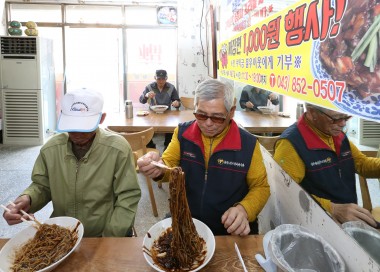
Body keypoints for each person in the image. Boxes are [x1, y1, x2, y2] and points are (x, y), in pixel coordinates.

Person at [137, 79, 270, 236]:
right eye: (201, 115)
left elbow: (261, 187)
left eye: (217, 117)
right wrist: (157, 167)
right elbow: (168, 165)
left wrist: (245, 209)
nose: (208, 123)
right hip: (186, 219)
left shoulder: (247, 144)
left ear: (231, 112)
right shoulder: (182, 133)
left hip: (227, 228)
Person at [2, 89, 141, 237]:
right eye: (71, 125)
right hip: (63, 234)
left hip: (102, 234)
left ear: (101, 118)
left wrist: (111, 237)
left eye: (84, 127)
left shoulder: (117, 149)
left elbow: (128, 196)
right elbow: (42, 185)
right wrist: (28, 198)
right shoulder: (51, 149)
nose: (76, 133)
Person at [273, 103, 380, 228]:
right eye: (336, 118)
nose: (343, 124)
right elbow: (284, 194)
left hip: (348, 219)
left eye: (346, 117)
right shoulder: (291, 145)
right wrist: (332, 208)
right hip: (315, 223)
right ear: (312, 112)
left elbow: (362, 164)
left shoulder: (335, 134)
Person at [139, 69, 181, 150]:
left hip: (167, 114)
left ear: (166, 78)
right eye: (159, 79)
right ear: (155, 78)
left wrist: (176, 103)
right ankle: (151, 146)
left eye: (163, 79)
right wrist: (146, 95)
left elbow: (177, 102)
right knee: (145, 129)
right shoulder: (149, 87)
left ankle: (167, 147)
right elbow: (141, 101)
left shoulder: (171, 87)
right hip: (152, 114)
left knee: (172, 129)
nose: (161, 81)